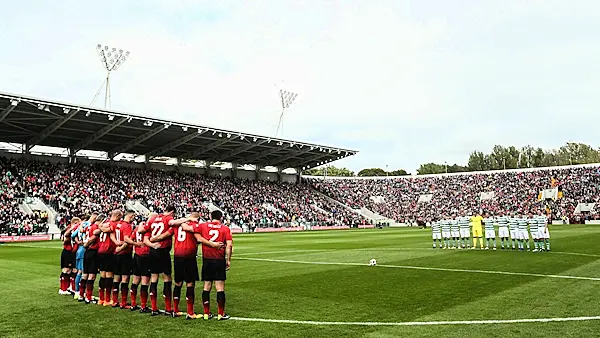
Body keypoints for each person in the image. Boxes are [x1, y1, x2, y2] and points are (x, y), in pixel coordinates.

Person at [151, 211, 224, 319]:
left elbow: (166, 234)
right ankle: (190, 312)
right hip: (189, 257)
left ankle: (175, 310)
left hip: (177, 256)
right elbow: (199, 238)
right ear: (197, 218)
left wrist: (153, 239)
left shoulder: (177, 225)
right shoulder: (195, 225)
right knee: (190, 284)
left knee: (178, 283)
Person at [140, 206, 190, 316]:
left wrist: (152, 242)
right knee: (167, 278)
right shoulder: (167, 219)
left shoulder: (153, 219)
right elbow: (172, 224)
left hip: (152, 251)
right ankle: (168, 308)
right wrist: (187, 219)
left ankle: (154, 308)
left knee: (154, 278)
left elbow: (143, 234)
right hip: (162, 251)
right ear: (172, 212)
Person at [190, 210, 233, 321]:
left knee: (206, 286)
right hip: (219, 260)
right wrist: (228, 260)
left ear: (210, 216)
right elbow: (229, 246)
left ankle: (206, 313)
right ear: (221, 218)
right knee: (220, 287)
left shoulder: (203, 226)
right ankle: (220, 314)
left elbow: (190, 229)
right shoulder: (225, 228)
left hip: (207, 260)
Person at [127, 214, 154, 313]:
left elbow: (130, 238)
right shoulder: (147, 228)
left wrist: (135, 244)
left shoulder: (137, 228)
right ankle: (143, 306)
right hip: (145, 255)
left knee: (135, 280)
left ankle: (133, 304)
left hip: (136, 255)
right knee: (145, 281)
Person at [97, 210, 123, 306]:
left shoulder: (105, 223)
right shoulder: (113, 224)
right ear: (117, 216)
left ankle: (101, 299)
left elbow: (102, 228)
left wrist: (100, 226)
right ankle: (107, 299)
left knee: (103, 275)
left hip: (100, 251)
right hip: (108, 251)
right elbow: (109, 232)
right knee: (109, 276)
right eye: (120, 216)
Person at [113, 210, 135, 309]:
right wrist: (121, 248)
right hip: (124, 254)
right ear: (130, 216)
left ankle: (114, 300)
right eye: (133, 216)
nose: (134, 218)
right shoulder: (127, 226)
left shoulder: (119, 224)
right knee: (125, 278)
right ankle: (123, 302)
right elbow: (127, 239)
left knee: (117, 277)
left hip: (116, 255)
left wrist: (117, 246)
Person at [72, 214, 95, 300]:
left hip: (79, 250)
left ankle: (78, 291)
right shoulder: (88, 225)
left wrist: (77, 241)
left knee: (79, 271)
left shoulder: (80, 226)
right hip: (84, 250)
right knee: (82, 272)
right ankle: (78, 292)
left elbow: (73, 235)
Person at [83, 214, 104, 304]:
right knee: (92, 275)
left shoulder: (89, 226)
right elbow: (94, 236)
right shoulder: (95, 227)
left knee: (85, 274)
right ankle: (88, 297)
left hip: (87, 252)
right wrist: (87, 244)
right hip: (93, 252)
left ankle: (81, 295)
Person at [59, 217, 80, 295]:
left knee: (74, 270)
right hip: (67, 252)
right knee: (66, 270)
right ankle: (62, 288)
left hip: (74, 252)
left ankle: (71, 287)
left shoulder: (76, 230)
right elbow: (63, 240)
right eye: (78, 223)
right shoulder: (68, 229)